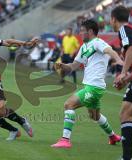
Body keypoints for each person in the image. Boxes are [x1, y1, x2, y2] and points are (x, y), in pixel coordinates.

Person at [51, 19, 123, 148]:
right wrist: (62, 66)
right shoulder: (84, 46)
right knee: (95, 116)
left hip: (94, 87)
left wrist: (118, 60)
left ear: (90, 31)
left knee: (69, 105)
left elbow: (110, 51)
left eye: (82, 31)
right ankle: (113, 137)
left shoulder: (98, 42)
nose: (80, 33)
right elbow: (73, 66)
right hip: (92, 87)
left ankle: (65, 140)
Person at [111, 6, 132, 160]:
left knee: (125, 114)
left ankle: (127, 158)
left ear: (113, 19)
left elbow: (131, 49)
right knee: (129, 117)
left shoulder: (124, 29)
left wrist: (123, 73)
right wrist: (126, 78)